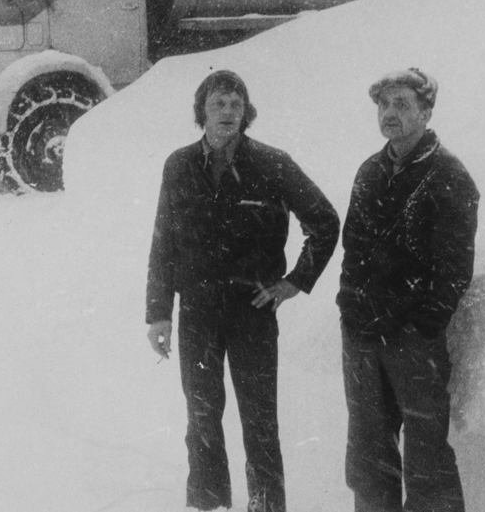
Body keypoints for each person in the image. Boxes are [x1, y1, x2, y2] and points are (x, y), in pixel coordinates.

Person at [146, 69, 340, 512]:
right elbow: (164, 243)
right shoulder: (179, 166)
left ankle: (267, 506)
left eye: (236, 104)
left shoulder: (272, 164)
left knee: (259, 421)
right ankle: (209, 504)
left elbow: (325, 222)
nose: (228, 112)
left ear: (246, 112)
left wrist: (293, 282)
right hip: (198, 312)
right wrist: (159, 312)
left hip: (252, 311)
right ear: (202, 112)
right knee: (201, 417)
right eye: (219, 104)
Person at [337, 68, 479, 512]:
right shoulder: (370, 170)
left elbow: (454, 267)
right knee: (368, 455)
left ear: (426, 111)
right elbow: (352, 248)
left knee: (427, 458)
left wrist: (422, 324)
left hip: (412, 341)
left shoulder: (449, 175)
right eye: (383, 104)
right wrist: (351, 307)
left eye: (401, 104)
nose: (389, 113)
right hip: (362, 336)